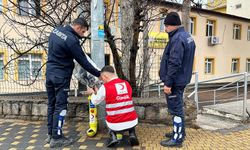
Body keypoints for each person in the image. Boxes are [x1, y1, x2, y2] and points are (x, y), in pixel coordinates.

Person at [45, 18, 101, 148]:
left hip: (49, 74)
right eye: (83, 32)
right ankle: (57, 137)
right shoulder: (71, 40)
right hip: (61, 77)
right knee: (61, 107)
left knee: (52, 104)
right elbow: (83, 61)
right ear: (77, 27)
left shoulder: (56, 30)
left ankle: (50, 135)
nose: (83, 35)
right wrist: (99, 74)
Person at [159, 12, 196, 147]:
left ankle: (177, 138)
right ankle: (180, 131)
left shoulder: (177, 39)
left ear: (172, 26)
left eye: (166, 26)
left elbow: (174, 63)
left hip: (175, 81)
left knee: (176, 110)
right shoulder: (187, 37)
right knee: (178, 107)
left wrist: (168, 83)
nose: (165, 29)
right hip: (182, 79)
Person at [90, 65, 139, 147]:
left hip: (115, 123)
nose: (102, 80)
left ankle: (113, 137)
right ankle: (132, 134)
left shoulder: (105, 87)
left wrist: (92, 93)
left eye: (102, 78)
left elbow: (95, 102)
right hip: (132, 121)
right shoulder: (126, 84)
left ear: (105, 76)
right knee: (127, 113)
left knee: (108, 116)